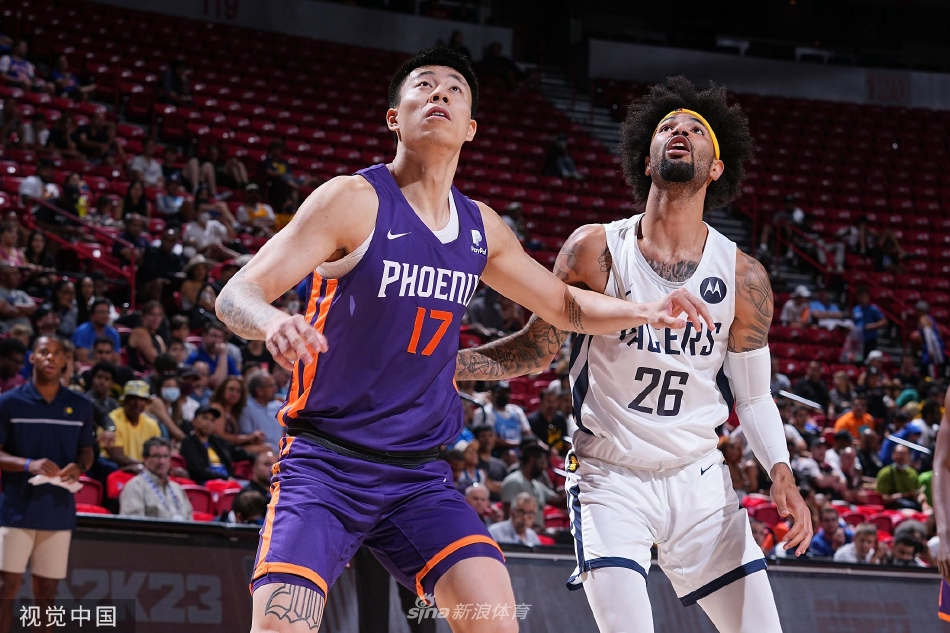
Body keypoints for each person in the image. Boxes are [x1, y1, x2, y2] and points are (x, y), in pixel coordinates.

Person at [213, 49, 710, 633]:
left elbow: (563, 305)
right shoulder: (351, 200)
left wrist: (644, 308)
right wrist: (271, 321)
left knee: (495, 619)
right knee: (280, 627)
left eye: (454, 89)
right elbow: (236, 293)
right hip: (326, 465)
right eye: (423, 85)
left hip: (418, 477)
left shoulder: (481, 227)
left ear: (470, 128)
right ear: (395, 117)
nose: (439, 94)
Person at [455, 77, 812, 632]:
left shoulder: (744, 277)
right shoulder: (594, 249)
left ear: (716, 168)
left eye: (696, 130)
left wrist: (781, 472)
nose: (679, 131)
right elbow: (537, 348)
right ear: (647, 161)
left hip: (699, 480)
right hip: (609, 477)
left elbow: (754, 397)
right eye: (667, 127)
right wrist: (451, 366)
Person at [0, 335, 95, 633]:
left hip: (58, 511)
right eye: (44, 352)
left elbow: (87, 451)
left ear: (66, 361)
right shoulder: (8, 402)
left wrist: (79, 467)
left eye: (57, 353)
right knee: (6, 588)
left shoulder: (81, 406)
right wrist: (28, 464)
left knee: (47, 593)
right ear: (32, 358)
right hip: (15, 509)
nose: (50, 357)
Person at [118, 437, 192, 520]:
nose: (161, 461)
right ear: (145, 459)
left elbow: (190, 520)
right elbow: (132, 525)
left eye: (165, 456)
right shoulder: (134, 487)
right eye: (156, 456)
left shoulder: (177, 488)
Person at [104, 380, 162, 471]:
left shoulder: (152, 424)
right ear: (125, 400)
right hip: (119, 471)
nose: (137, 403)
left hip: (145, 471)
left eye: (142, 399)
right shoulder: (112, 421)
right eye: (133, 398)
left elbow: (158, 453)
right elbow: (117, 456)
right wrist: (145, 466)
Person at [500, 443, 559, 530]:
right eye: (542, 462)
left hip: (537, 533)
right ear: (532, 460)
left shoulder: (537, 485)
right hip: (518, 534)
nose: (545, 466)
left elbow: (559, 501)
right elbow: (511, 517)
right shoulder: (514, 482)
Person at [179, 405, 234, 484]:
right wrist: (225, 478)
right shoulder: (188, 443)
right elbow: (199, 470)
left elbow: (235, 451)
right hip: (207, 483)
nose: (208, 423)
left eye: (212, 420)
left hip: (227, 481)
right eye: (205, 418)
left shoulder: (217, 441)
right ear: (194, 421)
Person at [239, 371, 285, 452]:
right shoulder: (246, 408)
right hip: (260, 454)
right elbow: (247, 442)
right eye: (271, 386)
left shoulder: (278, 406)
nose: (275, 389)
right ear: (259, 391)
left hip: (281, 454)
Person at [186, 321, 239, 388]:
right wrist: (223, 354)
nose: (217, 340)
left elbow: (238, 378)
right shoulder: (195, 357)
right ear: (204, 336)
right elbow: (217, 383)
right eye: (214, 336)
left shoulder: (227, 358)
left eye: (220, 337)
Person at [71, 300, 121, 364]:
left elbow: (116, 360)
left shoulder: (114, 333)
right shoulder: (82, 331)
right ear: (92, 315)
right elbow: (83, 360)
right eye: (101, 312)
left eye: (107, 312)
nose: (105, 315)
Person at [876, 444, 921, 510]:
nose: (901, 457)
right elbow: (880, 498)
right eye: (899, 453)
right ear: (893, 455)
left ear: (909, 456)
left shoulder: (913, 473)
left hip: (912, 507)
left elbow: (919, 492)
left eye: (904, 454)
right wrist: (903, 495)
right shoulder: (885, 473)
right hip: (892, 509)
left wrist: (924, 503)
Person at [852, 287, 887, 360]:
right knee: (858, 360)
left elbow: (884, 321)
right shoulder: (855, 309)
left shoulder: (873, 308)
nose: (863, 299)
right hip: (858, 340)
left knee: (868, 360)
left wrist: (872, 326)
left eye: (865, 296)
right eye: (861, 296)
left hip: (870, 340)